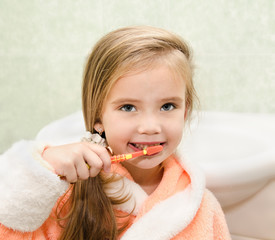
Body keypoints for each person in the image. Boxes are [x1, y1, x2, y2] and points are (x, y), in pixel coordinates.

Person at [0, 26, 231, 239]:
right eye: (128, 107)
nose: (150, 127)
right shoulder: (64, 194)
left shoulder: (200, 208)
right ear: (98, 117)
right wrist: (41, 171)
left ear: (185, 111)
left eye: (168, 106)